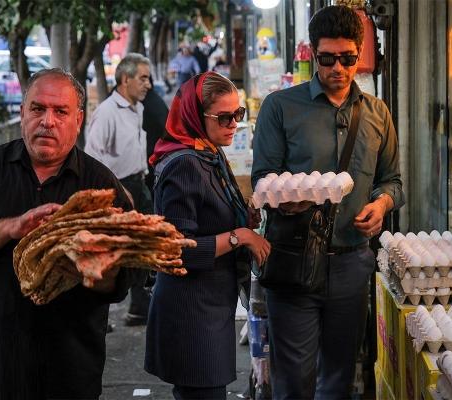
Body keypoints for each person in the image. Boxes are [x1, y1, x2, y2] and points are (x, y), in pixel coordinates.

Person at [0, 68, 146, 399]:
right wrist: (12, 227)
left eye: (60, 111)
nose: (47, 121)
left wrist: (100, 270)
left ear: (78, 121)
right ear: (22, 113)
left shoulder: (100, 185)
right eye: (38, 109)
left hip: (68, 368)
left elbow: (131, 272)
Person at [251, 5, 404, 399]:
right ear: (311, 54)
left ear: (360, 54)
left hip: (352, 262)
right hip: (294, 259)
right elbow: (262, 181)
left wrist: (383, 204)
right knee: (293, 381)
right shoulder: (280, 107)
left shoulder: (377, 113)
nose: (338, 68)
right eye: (327, 59)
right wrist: (286, 202)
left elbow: (393, 181)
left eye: (348, 58)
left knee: (339, 377)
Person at [145, 72, 271, 400]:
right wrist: (240, 235)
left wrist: (246, 216)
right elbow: (176, 248)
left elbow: (210, 216)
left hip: (210, 306)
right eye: (224, 117)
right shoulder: (184, 164)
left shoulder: (209, 152)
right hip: (190, 314)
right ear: (195, 116)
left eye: (238, 114)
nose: (233, 124)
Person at [85, 53, 153, 326]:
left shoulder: (137, 107)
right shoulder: (107, 112)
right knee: (111, 253)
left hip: (138, 183)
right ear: (125, 79)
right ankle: (95, 315)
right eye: (143, 78)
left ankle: (140, 305)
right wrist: (116, 188)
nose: (148, 84)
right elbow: (92, 156)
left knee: (142, 248)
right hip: (118, 189)